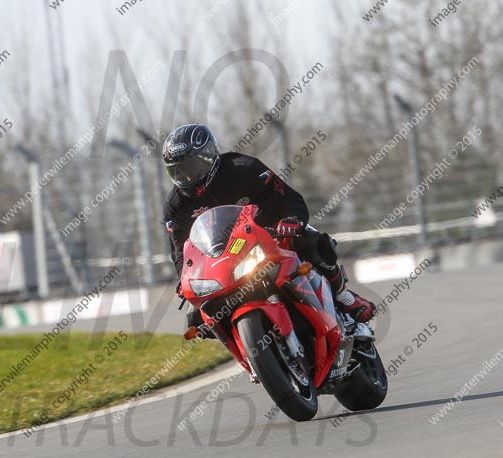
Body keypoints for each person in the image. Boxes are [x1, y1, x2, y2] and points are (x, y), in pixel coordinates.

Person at [161, 123, 376, 326]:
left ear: (210, 157)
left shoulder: (244, 169)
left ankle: (344, 296)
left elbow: (290, 198)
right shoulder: (176, 205)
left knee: (313, 241)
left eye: (192, 166)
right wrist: (184, 279)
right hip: (225, 258)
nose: (187, 176)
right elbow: (181, 251)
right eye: (178, 171)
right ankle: (250, 352)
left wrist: (292, 220)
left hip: (272, 234)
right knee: (199, 316)